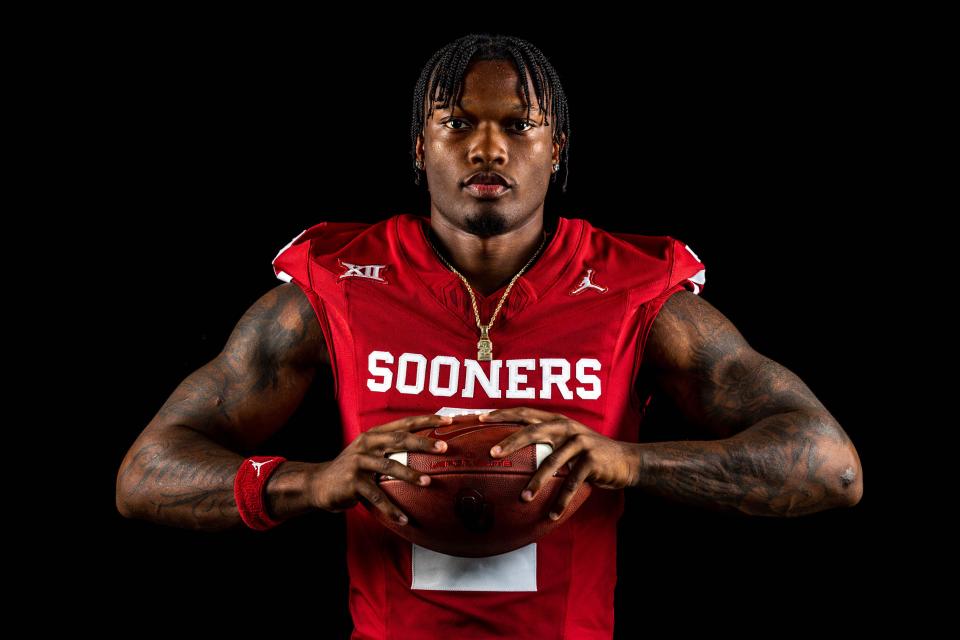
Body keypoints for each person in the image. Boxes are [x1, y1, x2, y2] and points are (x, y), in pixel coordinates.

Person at [116, 32, 863, 639]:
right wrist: (311, 483)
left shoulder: (636, 292)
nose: (487, 148)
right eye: (458, 123)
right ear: (419, 146)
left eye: (517, 124)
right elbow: (146, 473)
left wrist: (627, 463)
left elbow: (831, 469)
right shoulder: (340, 283)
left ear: (557, 147)